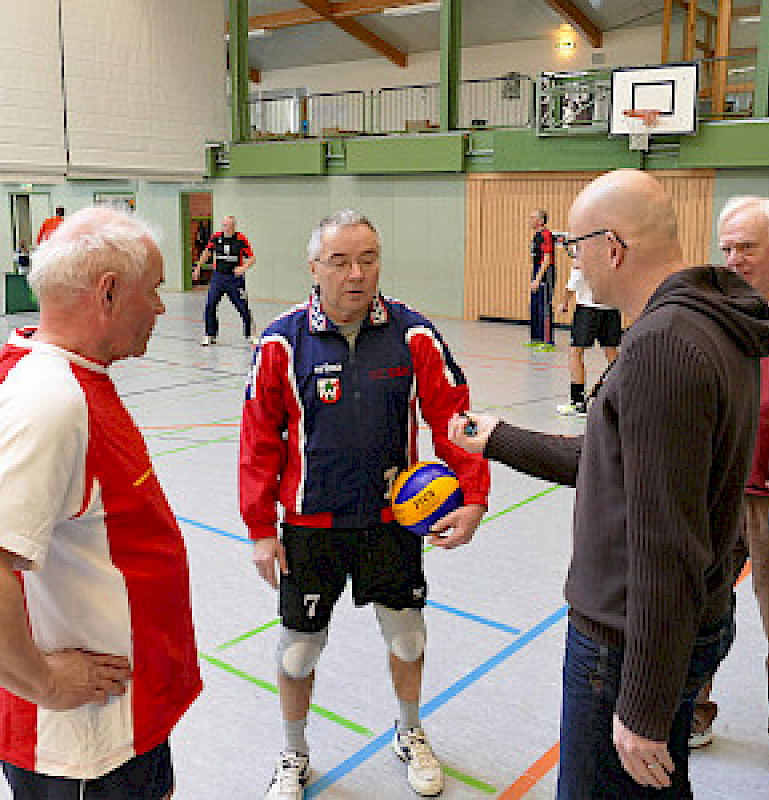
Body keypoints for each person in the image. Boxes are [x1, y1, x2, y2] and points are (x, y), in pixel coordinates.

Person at [448, 169, 769, 799]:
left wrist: (645, 708)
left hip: (626, 646)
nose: (573, 265)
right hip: (679, 625)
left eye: (575, 248)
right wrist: (497, 438)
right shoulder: (711, 323)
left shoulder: (662, 346)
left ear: (612, 247)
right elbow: (613, 462)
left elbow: (666, 542)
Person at [239, 209, 489, 799]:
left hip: (391, 523)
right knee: (298, 651)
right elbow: (259, 440)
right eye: (341, 261)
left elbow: (454, 418)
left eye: (368, 259)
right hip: (309, 526)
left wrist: (473, 497)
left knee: (407, 638)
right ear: (314, 267)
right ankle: (294, 753)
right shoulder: (281, 342)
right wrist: (259, 527)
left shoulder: (412, 334)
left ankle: (409, 732)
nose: (357, 274)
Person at [0, 206, 202, 799]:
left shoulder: (70, 376)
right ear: (109, 292)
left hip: (123, 722)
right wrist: (40, 683)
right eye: (155, 290)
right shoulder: (49, 401)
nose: (162, 308)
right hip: (83, 745)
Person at [690, 196, 769, 794]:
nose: (733, 260)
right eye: (726, 247)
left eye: (747, 248)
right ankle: (692, 713)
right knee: (698, 608)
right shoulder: (721, 308)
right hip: (719, 488)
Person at [556, 263, 622, 416]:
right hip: (611, 309)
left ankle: (578, 402)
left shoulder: (584, 251)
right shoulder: (612, 249)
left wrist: (564, 302)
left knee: (575, 353)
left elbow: (574, 281)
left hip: (588, 309)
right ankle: (622, 396)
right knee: (612, 353)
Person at [192, 214, 257, 346]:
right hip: (218, 278)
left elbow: (251, 258)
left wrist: (243, 268)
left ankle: (251, 334)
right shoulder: (216, 238)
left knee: (243, 307)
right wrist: (198, 267)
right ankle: (210, 334)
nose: (227, 228)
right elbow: (206, 252)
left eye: (230, 226)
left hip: (235, 279)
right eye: (225, 225)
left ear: (234, 227)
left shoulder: (241, 239)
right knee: (210, 304)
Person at [528, 210, 556, 349]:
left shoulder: (546, 235)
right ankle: (536, 338)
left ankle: (548, 341)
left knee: (545, 306)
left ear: (541, 221)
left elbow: (546, 259)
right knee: (535, 306)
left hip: (545, 273)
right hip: (537, 271)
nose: (530, 219)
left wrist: (538, 278)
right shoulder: (536, 236)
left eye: (533, 217)